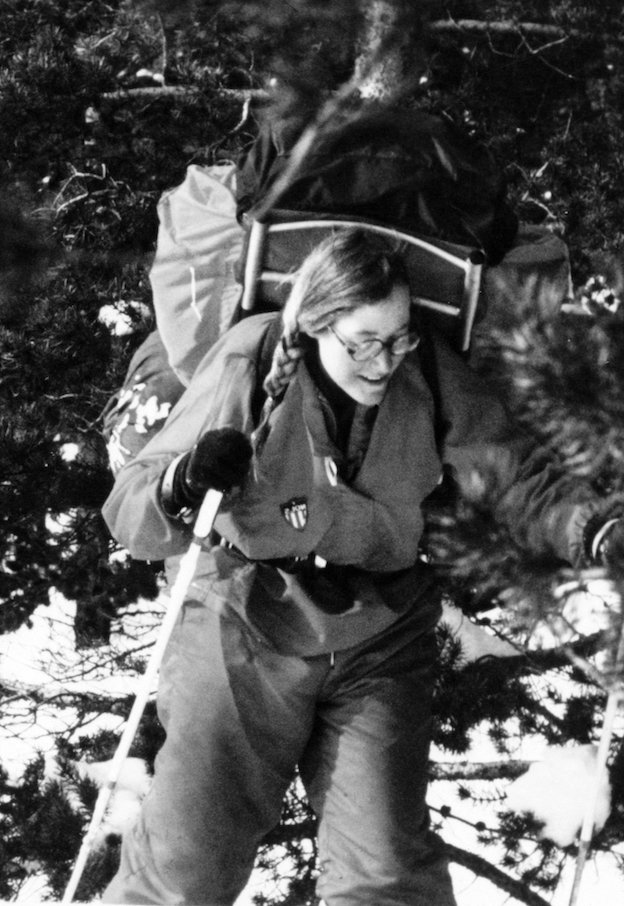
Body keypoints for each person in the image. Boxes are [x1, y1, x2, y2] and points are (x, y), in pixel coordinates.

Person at [100, 228, 624, 905]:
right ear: (314, 326)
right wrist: (184, 480)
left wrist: (597, 531)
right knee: (187, 862)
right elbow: (134, 507)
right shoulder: (251, 359)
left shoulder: (426, 372)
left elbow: (516, 478)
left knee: (386, 871)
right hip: (241, 622)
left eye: (397, 338)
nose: (382, 362)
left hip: (381, 626)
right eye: (362, 343)